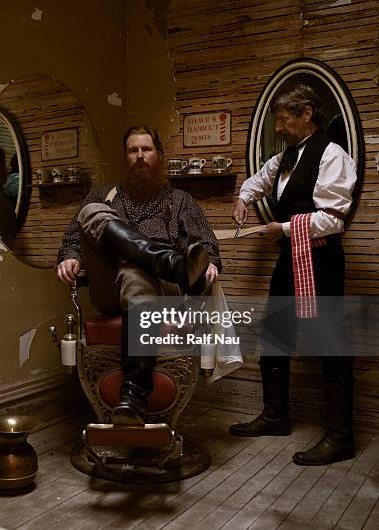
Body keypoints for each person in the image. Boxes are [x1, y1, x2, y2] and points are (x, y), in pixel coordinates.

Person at [57, 125, 221, 424]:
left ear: (158, 156)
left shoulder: (180, 201)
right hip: (110, 286)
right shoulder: (103, 195)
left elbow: (206, 245)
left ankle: (133, 394)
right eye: (133, 150)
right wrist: (70, 257)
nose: (140, 156)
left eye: (146, 150)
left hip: (164, 291)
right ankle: (171, 262)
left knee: (134, 270)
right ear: (125, 157)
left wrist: (208, 262)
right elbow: (72, 240)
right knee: (91, 210)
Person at [229, 83, 357, 466]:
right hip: (290, 258)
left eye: (284, 120)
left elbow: (333, 220)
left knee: (329, 343)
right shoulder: (286, 157)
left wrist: (280, 229)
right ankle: (275, 416)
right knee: (276, 334)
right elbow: (259, 179)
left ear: (306, 114)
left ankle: (340, 437)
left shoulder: (333, 155)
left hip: (321, 260)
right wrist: (243, 198)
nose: (280, 128)